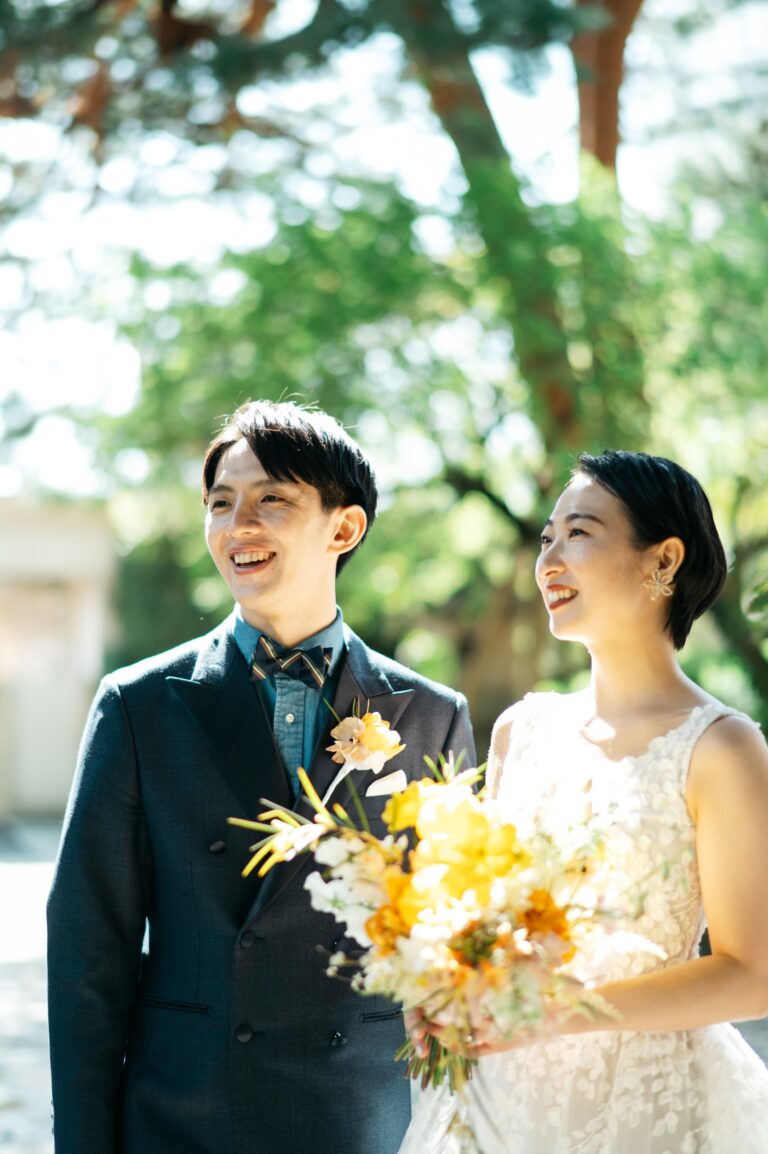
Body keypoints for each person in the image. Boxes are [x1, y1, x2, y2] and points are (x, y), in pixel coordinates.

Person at [47, 399, 475, 1154]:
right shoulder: (140, 705)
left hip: (364, 1118)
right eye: (220, 504)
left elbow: (456, 940)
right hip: (186, 1114)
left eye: (271, 499)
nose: (237, 525)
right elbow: (89, 950)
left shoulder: (431, 716)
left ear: (344, 528)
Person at [400, 450, 768, 1154]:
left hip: (650, 1106)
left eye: (579, 533)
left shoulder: (722, 748)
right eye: (546, 539)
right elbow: (493, 918)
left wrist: (559, 1014)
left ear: (664, 560)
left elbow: (752, 977)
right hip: (503, 1100)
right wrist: (451, 983)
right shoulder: (520, 730)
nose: (549, 562)